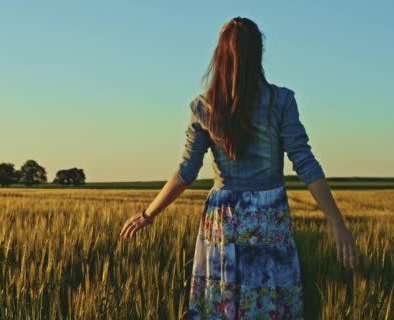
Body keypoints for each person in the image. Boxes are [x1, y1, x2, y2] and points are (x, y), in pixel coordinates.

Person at [120, 16, 359, 318]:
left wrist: (148, 214)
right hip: (268, 217)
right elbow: (305, 163)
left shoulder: (204, 107)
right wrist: (336, 222)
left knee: (224, 306)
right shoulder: (281, 101)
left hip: (223, 220)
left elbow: (185, 172)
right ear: (259, 54)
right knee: (270, 305)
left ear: (219, 55)